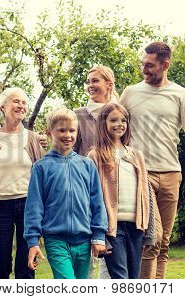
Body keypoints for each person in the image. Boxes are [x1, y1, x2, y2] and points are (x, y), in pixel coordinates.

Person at [120, 41, 185, 279]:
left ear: (165, 65)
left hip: (171, 174)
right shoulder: (130, 93)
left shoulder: (182, 95)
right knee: (151, 239)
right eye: (143, 65)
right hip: (139, 174)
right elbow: (111, 123)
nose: (144, 70)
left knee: (163, 242)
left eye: (150, 66)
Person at [24, 108, 108, 279]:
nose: (67, 135)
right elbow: (34, 206)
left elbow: (97, 202)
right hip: (56, 240)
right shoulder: (41, 167)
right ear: (49, 133)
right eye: (62, 130)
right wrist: (33, 241)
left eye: (72, 130)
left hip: (84, 240)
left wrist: (98, 235)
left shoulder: (87, 165)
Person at [88, 103, 155, 279]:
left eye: (123, 120)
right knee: (120, 277)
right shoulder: (95, 155)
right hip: (112, 229)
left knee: (133, 278)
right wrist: (98, 234)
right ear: (103, 123)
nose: (119, 124)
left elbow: (146, 195)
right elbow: (92, 197)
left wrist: (150, 233)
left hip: (136, 227)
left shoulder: (136, 155)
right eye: (114, 120)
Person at [0, 87, 45, 279]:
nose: (21, 105)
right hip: (0, 205)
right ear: (3, 107)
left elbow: (43, 171)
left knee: (26, 266)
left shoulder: (35, 138)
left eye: (24, 102)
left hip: (29, 205)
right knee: (0, 264)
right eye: (16, 101)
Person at [73, 65, 117, 278]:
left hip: (114, 192)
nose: (90, 85)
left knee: (111, 250)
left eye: (95, 81)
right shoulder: (78, 116)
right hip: (85, 192)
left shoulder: (119, 115)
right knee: (87, 250)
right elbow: (69, 154)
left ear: (109, 85)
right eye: (88, 81)